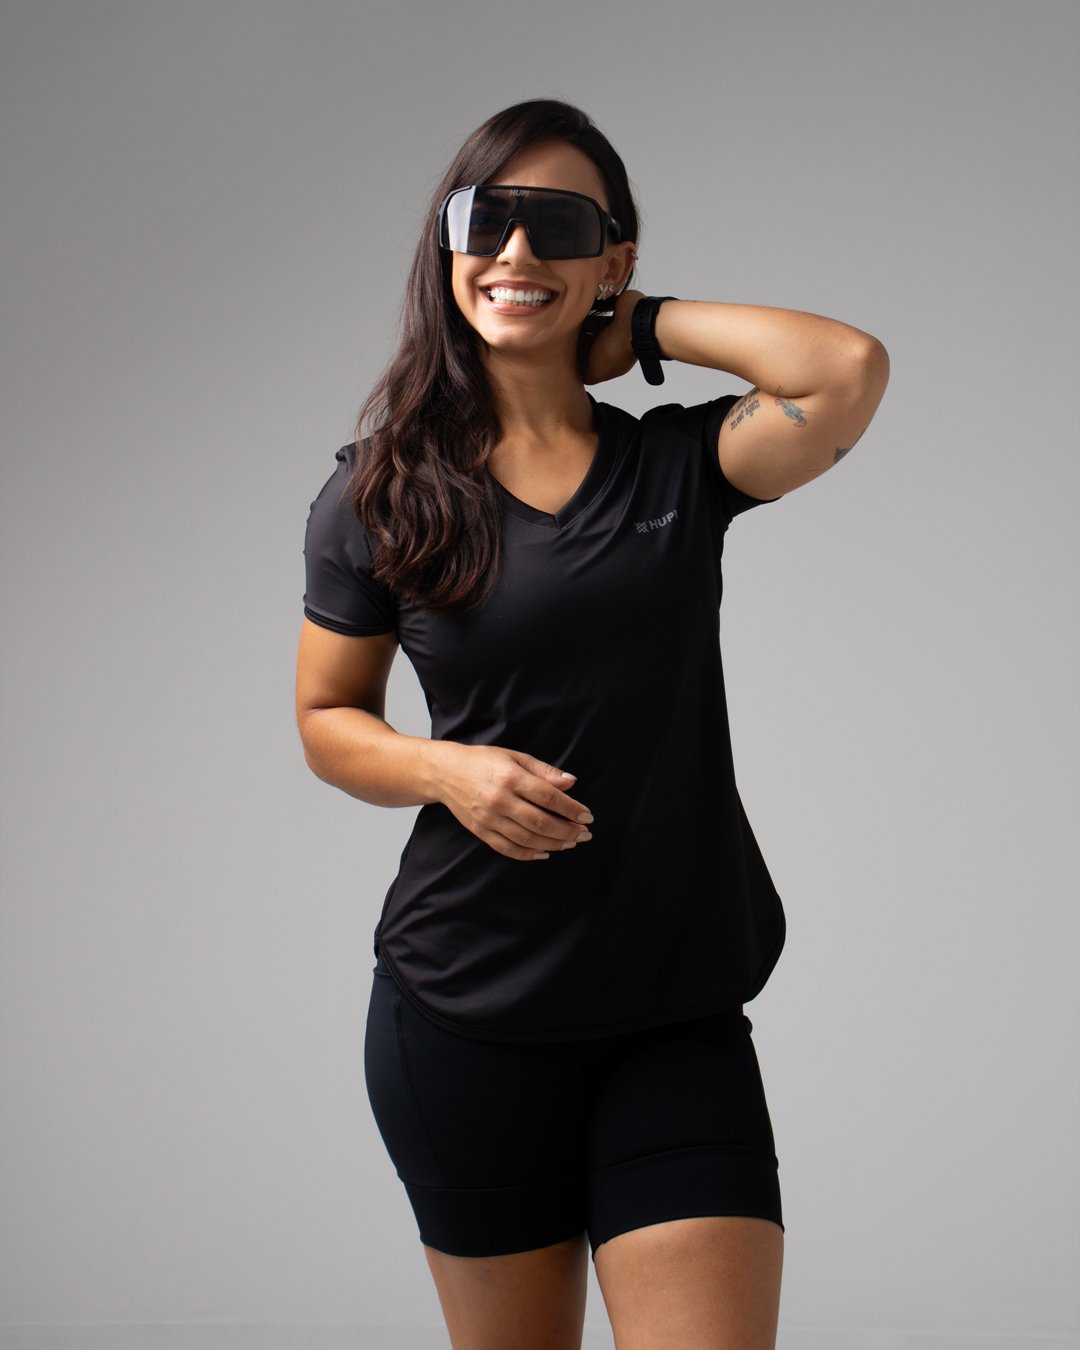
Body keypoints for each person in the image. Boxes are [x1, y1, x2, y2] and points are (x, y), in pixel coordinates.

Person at [296, 97, 889, 1350]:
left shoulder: (678, 468)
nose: (515, 252)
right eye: (486, 220)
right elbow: (327, 719)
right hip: (465, 1014)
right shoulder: (378, 494)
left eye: (557, 226)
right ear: (447, 245)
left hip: (675, 1010)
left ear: (611, 256)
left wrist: (649, 325)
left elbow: (844, 369)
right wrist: (443, 771)